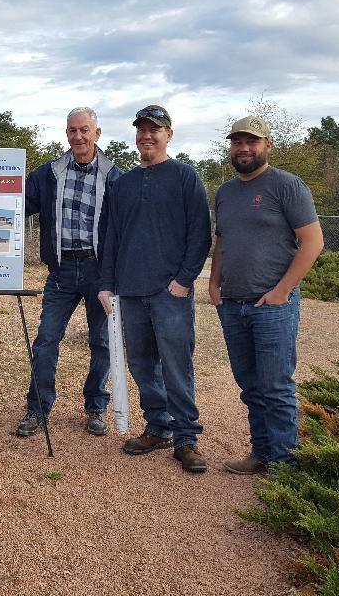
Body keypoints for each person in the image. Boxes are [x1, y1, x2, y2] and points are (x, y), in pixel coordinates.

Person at [98, 105, 211, 473]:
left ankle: (186, 438)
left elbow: (200, 234)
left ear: (168, 135)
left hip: (170, 292)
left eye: (155, 129)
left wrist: (184, 280)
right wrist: (106, 284)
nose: (147, 135)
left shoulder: (185, 177)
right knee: (143, 364)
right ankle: (158, 427)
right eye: (142, 129)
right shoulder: (122, 184)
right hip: (131, 291)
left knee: (176, 365)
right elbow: (111, 237)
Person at [207, 116, 324, 474]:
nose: (244, 148)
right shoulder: (225, 193)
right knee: (251, 387)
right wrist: (214, 282)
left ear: (267, 145)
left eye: (252, 142)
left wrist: (282, 291)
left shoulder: (287, 185)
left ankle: (284, 466)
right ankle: (261, 453)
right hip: (233, 304)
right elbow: (222, 241)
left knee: (276, 388)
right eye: (237, 142)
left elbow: (313, 242)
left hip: (272, 307)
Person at [15, 107, 122, 438]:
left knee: (101, 341)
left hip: (99, 271)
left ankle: (95, 408)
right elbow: (16, 201)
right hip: (61, 271)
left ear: (97, 133)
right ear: (66, 134)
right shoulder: (49, 174)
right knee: (46, 339)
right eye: (72, 130)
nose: (78, 136)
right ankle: (37, 409)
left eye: (84, 130)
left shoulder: (115, 177)